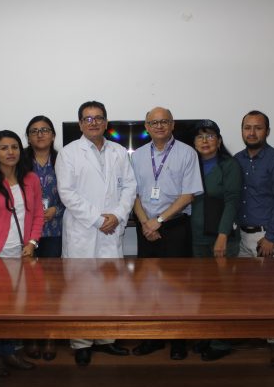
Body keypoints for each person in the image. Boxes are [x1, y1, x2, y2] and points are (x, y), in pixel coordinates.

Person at [55, 100, 137, 366]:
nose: (93, 122)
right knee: (79, 289)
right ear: (80, 123)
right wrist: (97, 219)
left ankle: (106, 339)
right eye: (88, 119)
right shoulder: (69, 153)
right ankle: (81, 343)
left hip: (111, 230)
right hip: (83, 229)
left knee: (111, 287)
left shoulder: (118, 151)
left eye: (98, 118)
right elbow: (67, 193)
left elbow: (130, 187)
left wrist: (118, 215)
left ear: (106, 122)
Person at [131, 106, 203, 360]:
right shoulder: (137, 156)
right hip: (146, 227)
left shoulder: (187, 153)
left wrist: (159, 220)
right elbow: (134, 195)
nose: (159, 126)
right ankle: (152, 338)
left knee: (177, 287)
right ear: (147, 126)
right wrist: (145, 223)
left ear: (172, 125)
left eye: (165, 122)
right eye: (154, 122)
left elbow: (188, 195)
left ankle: (177, 340)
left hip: (175, 227)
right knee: (147, 286)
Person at [0, 130, 45, 373]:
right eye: (4, 148)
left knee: (20, 305)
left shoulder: (31, 179)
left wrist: (32, 243)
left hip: (22, 254)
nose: (10, 152)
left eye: (14, 147)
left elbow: (37, 215)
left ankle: (11, 352)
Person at [235, 110, 274, 367]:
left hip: (269, 236)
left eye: (258, 128)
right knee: (248, 291)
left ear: (267, 131)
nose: (252, 132)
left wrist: (270, 236)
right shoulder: (236, 160)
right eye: (248, 127)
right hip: (243, 235)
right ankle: (256, 333)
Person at [189, 120, 243, 362]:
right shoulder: (191, 165)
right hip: (198, 237)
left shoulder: (229, 165)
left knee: (222, 294)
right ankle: (207, 335)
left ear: (219, 141)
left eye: (210, 136)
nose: (205, 141)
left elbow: (232, 201)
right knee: (202, 292)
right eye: (200, 137)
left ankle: (221, 342)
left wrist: (222, 236)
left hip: (221, 238)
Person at [23, 115, 65, 361]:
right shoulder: (21, 162)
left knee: (51, 288)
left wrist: (56, 209)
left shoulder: (63, 160)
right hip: (28, 233)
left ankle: (49, 336)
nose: (40, 134)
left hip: (55, 231)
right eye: (34, 131)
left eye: (45, 130)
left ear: (53, 135)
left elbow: (74, 191)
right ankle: (30, 336)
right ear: (28, 136)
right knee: (28, 288)